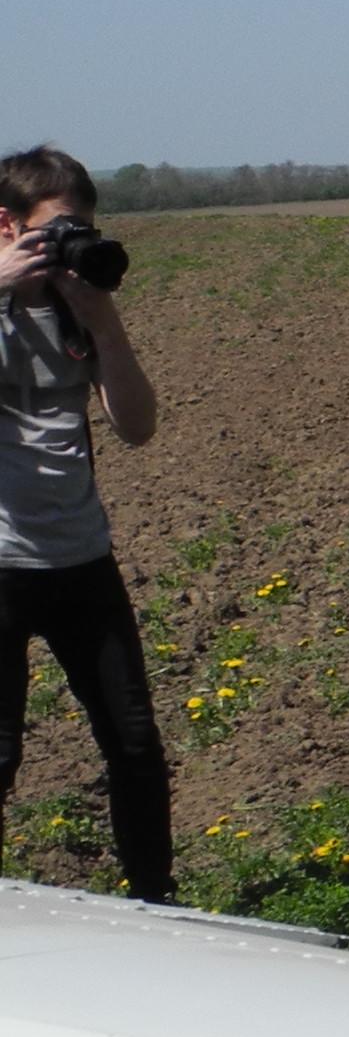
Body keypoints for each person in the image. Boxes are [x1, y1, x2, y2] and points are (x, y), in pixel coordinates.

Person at [0, 149, 170, 905]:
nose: (70, 243)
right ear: (7, 226)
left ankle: (156, 902)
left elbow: (137, 426)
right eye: (55, 229)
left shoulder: (80, 309)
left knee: (134, 744)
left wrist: (104, 322)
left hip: (81, 558)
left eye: (82, 229)